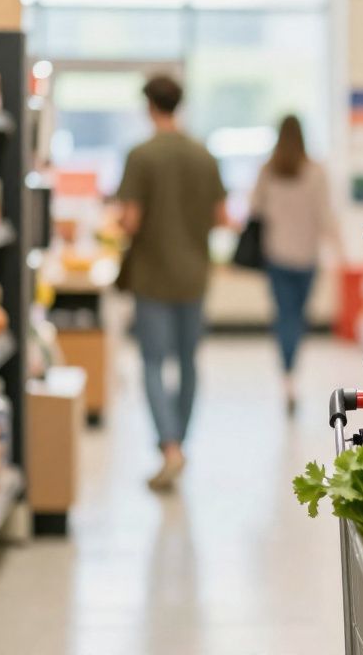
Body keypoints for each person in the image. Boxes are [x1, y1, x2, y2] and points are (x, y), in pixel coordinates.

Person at [115, 74, 227, 492]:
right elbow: (221, 217)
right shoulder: (203, 155)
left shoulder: (141, 156)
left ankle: (169, 448)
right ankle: (180, 440)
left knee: (151, 365)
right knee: (189, 364)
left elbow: (130, 221)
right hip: (195, 275)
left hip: (152, 276)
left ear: (149, 106)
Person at [249, 114, 341, 414]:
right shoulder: (315, 171)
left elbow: (253, 210)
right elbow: (325, 214)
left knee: (283, 316)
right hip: (306, 257)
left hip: (276, 256)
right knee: (297, 317)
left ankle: (287, 376)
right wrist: (340, 249)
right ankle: (292, 371)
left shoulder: (268, 171)